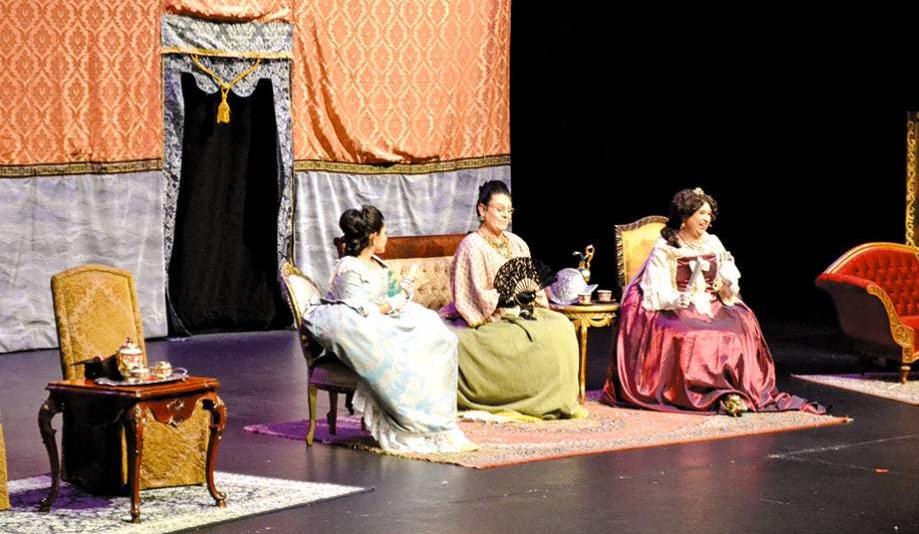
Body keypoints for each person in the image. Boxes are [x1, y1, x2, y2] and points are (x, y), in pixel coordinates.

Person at [603, 188, 825, 416]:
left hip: (712, 303)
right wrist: (677, 298)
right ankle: (697, 393)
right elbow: (655, 288)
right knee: (693, 335)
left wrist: (727, 283)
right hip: (676, 306)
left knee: (741, 325)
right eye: (701, 213)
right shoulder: (666, 246)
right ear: (685, 216)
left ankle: (732, 391)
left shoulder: (713, 242)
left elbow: (724, 283)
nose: (706, 219)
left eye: (709, 214)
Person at [303, 206, 475, 453]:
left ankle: (435, 416)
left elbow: (392, 294)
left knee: (438, 335)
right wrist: (394, 302)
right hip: (364, 325)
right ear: (373, 237)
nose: (387, 237)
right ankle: (410, 418)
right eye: (384, 232)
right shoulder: (349, 267)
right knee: (408, 345)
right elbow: (358, 310)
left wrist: (403, 290)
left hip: (385, 319)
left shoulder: (377, 262)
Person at [443, 181, 586, 420]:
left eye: (509, 211)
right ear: (482, 210)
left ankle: (556, 400)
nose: (505, 216)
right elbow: (472, 294)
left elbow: (532, 283)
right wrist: (505, 297)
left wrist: (532, 294)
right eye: (499, 209)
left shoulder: (516, 242)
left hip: (521, 311)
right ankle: (525, 400)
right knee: (514, 341)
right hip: (488, 317)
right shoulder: (472, 246)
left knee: (561, 326)